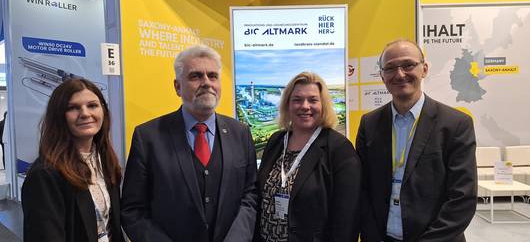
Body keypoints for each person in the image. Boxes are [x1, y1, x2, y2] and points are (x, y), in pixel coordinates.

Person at [121, 44, 257, 242]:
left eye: (213, 76)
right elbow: (133, 210)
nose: (206, 83)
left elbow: (250, 195)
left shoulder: (240, 132)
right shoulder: (148, 137)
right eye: (195, 76)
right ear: (177, 87)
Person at [356, 39, 477, 242]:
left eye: (408, 65)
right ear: (382, 76)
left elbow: (462, 198)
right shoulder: (369, 124)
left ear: (424, 69)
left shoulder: (456, 125)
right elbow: (362, 189)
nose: (400, 74)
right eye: (390, 68)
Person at [255, 72, 361, 242]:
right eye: (297, 99)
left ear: (323, 105)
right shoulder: (276, 141)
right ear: (288, 105)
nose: (305, 106)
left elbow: (347, 219)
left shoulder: (339, 149)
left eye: (313, 100)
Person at [21, 79, 124, 242]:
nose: (85, 113)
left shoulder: (104, 161)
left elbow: (112, 227)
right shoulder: (44, 175)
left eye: (92, 105)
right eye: (73, 108)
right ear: (59, 116)